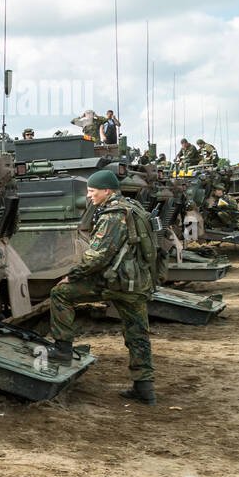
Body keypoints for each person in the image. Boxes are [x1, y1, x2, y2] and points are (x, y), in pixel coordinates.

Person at [48, 169, 156, 405]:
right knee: (138, 333)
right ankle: (144, 388)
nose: (89, 196)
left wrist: (73, 276)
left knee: (60, 294)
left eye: (92, 191)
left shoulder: (111, 216)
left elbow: (97, 257)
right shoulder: (133, 207)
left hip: (114, 282)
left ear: (107, 191)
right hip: (136, 283)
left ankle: (63, 350)